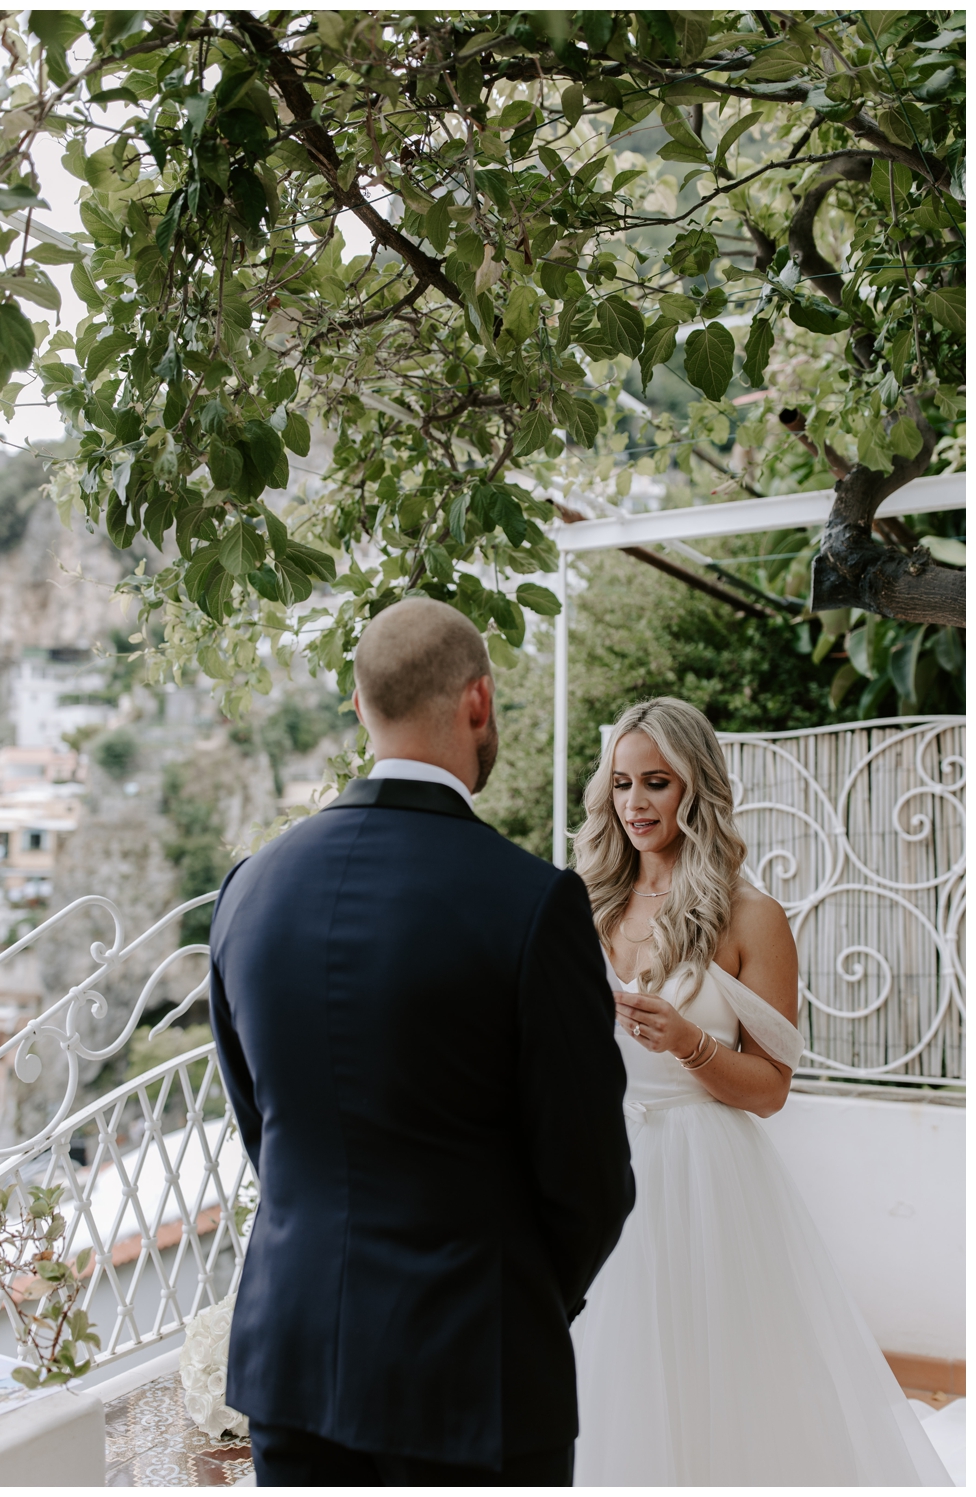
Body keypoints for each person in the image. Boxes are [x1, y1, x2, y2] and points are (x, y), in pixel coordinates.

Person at [208, 596, 634, 1486]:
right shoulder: (532, 902)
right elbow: (590, 1177)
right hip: (473, 1375)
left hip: (292, 1363)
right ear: (478, 701)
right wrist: (513, 1294)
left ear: (361, 708)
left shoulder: (249, 890)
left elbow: (266, 1130)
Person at [570, 697, 950, 1485]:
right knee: (609, 1377)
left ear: (696, 788)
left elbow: (772, 1088)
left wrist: (689, 1041)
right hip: (600, 1168)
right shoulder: (582, 905)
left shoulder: (752, 916)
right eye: (621, 784)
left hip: (709, 1181)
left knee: (721, 1380)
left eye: (657, 783)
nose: (635, 803)